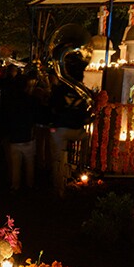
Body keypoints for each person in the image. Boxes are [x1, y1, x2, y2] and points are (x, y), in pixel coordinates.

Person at [49, 54, 92, 197]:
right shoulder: (82, 91)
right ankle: (81, 171)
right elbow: (87, 110)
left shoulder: (60, 89)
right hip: (77, 129)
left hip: (60, 129)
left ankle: (58, 186)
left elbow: (53, 107)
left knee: (57, 159)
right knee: (86, 140)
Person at [4, 72, 41, 193]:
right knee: (29, 163)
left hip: (14, 137)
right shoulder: (31, 100)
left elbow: (7, 118)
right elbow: (36, 116)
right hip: (27, 136)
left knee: (15, 164)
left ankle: (16, 186)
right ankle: (29, 185)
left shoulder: (10, 101)